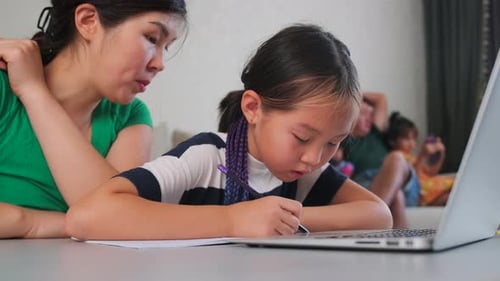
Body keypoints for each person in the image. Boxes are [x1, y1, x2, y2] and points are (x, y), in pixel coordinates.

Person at [66, 24, 393, 240]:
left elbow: (379, 215)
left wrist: (285, 218)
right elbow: (86, 216)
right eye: (302, 138)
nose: (314, 158)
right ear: (253, 108)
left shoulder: (304, 172)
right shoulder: (205, 157)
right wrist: (233, 221)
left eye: (333, 143)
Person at [0, 0, 187, 238]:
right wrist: (34, 223)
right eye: (151, 39)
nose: (159, 64)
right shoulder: (3, 90)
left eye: (166, 47)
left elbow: (118, 222)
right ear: (88, 21)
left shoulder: (131, 116)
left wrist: (34, 91)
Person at [345, 92, 420, 229]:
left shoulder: (375, 132)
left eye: (370, 113)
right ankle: (400, 247)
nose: (369, 117)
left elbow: (381, 98)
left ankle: (370, 220)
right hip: (368, 186)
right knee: (397, 196)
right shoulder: (342, 139)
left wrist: (352, 93)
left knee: (396, 157)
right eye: (363, 113)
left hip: (400, 179)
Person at [385, 112, 453, 206]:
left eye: (413, 139)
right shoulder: (396, 158)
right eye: (407, 139)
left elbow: (431, 172)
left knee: (455, 190)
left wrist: (441, 153)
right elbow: (412, 182)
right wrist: (422, 155)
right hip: (422, 193)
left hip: (429, 190)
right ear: (392, 141)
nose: (412, 143)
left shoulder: (412, 157)